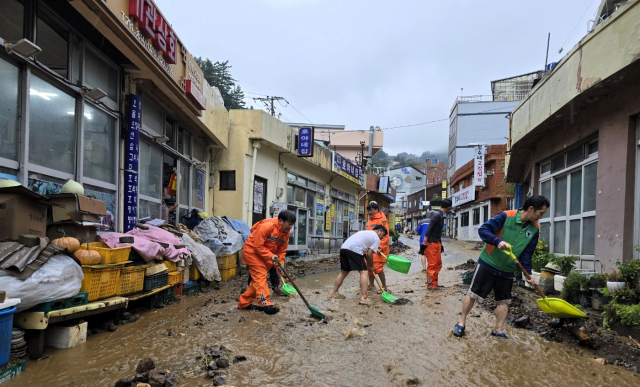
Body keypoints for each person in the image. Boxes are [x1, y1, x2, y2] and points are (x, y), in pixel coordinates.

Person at [452, 195, 549, 339]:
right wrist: (497, 241)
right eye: (540, 213)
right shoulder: (506, 216)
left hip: (508, 269)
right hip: (489, 262)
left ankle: (498, 330)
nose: (541, 217)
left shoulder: (534, 229)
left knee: (504, 300)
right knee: (473, 293)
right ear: (531, 209)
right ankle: (461, 322)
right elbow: (484, 230)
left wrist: (529, 274)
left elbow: (527, 254)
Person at [237, 210, 297, 315]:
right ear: (281, 221)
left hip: (265, 255)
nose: (290, 227)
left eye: (292, 225)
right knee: (261, 277)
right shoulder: (267, 226)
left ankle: (244, 303)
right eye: (289, 224)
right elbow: (257, 246)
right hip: (252, 252)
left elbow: (281, 251)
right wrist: (270, 256)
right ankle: (265, 304)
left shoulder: (285, 234)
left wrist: (279, 264)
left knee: (256, 282)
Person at [329, 225, 388, 305]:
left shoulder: (364, 233)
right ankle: (364, 298)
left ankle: (333, 293)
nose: (382, 238)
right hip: (354, 249)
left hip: (344, 248)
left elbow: (365, 253)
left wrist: (368, 262)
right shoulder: (376, 238)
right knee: (364, 272)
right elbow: (370, 254)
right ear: (379, 231)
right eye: (383, 235)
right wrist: (371, 266)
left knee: (344, 272)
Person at [424, 201, 451, 288]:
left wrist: (441, 244)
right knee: (432, 265)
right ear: (447, 208)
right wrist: (425, 240)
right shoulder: (437, 215)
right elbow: (430, 227)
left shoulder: (441, 216)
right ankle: (431, 285)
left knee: (438, 264)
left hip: (437, 243)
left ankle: (435, 283)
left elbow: (437, 232)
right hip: (431, 244)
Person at [364, 201, 390, 291]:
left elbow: (385, 235)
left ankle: (384, 287)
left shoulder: (382, 219)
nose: (369, 212)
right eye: (368, 210)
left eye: (371, 210)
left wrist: (380, 247)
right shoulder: (370, 220)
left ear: (376, 209)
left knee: (378, 268)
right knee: (369, 267)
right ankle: (371, 285)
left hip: (378, 250)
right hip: (369, 249)